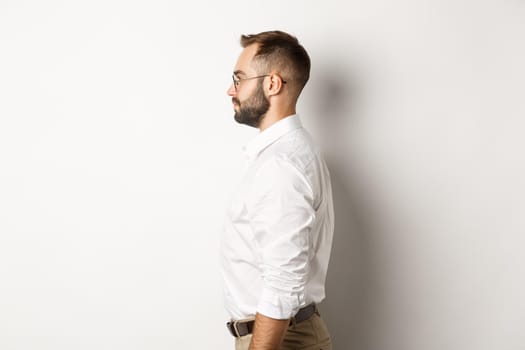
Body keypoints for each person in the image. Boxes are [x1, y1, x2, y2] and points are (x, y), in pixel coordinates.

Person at [221, 30, 334, 350]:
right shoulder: (290, 153)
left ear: (272, 83)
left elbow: (283, 284)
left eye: (239, 78)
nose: (230, 89)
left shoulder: (280, 165)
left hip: (280, 341)